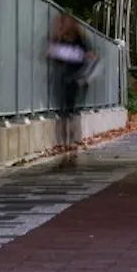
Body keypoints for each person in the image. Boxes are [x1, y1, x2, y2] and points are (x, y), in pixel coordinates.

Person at [46, 12, 93, 166]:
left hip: (74, 81)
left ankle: (72, 149)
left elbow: (90, 57)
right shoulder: (57, 38)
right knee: (62, 115)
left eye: (64, 22)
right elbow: (48, 55)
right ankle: (64, 150)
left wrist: (84, 75)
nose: (61, 25)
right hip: (60, 80)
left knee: (70, 114)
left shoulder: (80, 40)